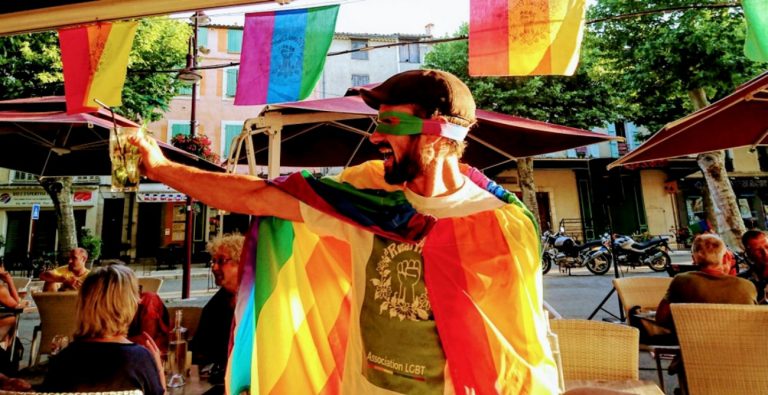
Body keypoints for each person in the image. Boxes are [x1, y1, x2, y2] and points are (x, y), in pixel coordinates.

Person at [131, 69, 557, 394]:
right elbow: (255, 196)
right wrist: (160, 167)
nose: (376, 137)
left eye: (390, 123)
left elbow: (518, 341)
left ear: (437, 133)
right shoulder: (365, 199)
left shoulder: (500, 222)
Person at [41, 264, 165, 395]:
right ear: (129, 304)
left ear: (83, 304)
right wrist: (159, 371)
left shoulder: (63, 359)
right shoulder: (140, 359)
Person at [656, 233, 757, 329]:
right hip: (739, 345)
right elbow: (755, 322)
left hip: (692, 345)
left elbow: (661, 319)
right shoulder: (746, 286)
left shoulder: (681, 281)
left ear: (694, 259)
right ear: (726, 257)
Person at [190, 233, 243, 387]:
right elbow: (200, 350)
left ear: (242, 262)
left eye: (221, 261)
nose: (214, 267)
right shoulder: (217, 303)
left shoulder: (258, 301)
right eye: (213, 261)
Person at [740, 229, 768, 303]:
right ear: (749, 254)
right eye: (757, 250)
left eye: (767, 247)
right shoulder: (743, 281)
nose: (766, 253)